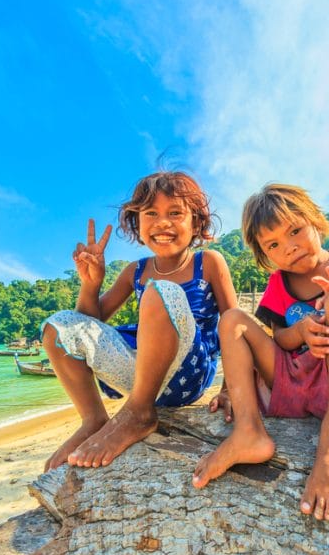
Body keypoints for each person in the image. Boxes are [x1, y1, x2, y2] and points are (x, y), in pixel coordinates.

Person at [192, 184, 329, 521]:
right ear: (265, 255)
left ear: (316, 220)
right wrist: (300, 331)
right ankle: (248, 430)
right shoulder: (277, 285)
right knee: (233, 319)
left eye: (295, 230)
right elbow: (279, 339)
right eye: (274, 245)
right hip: (295, 386)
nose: (290, 247)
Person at [41, 171, 237, 472]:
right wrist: (90, 284)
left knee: (161, 291)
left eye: (175, 213)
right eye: (151, 214)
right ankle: (93, 419)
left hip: (189, 373)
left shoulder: (208, 262)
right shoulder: (135, 270)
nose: (162, 222)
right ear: (138, 224)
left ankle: (139, 413)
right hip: (141, 373)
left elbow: (234, 324)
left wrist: (230, 389)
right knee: (59, 326)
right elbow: (90, 326)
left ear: (196, 223)